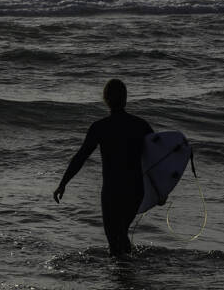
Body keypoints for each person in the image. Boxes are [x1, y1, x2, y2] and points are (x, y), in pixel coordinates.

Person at [53, 79, 152, 257]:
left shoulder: (100, 127)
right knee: (121, 232)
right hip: (135, 190)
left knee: (115, 239)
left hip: (113, 190)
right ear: (126, 98)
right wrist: (160, 191)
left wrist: (63, 183)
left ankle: (123, 277)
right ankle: (127, 276)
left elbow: (80, 157)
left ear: (105, 99)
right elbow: (156, 159)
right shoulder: (140, 125)